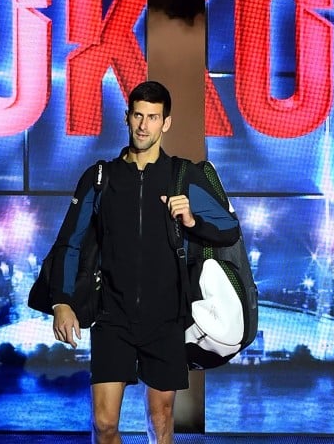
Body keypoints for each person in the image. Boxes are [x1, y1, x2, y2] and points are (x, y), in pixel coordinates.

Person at [48, 80, 240, 444]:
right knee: (104, 425)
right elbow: (69, 243)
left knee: (161, 419)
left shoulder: (183, 175)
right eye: (138, 115)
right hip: (111, 316)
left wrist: (193, 221)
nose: (143, 125)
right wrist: (62, 302)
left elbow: (229, 229)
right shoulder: (100, 177)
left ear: (165, 123)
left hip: (166, 317)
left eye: (153, 117)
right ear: (127, 117)